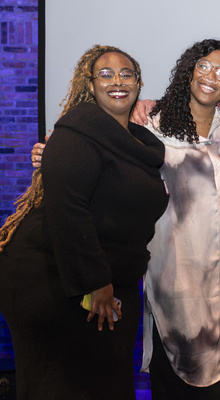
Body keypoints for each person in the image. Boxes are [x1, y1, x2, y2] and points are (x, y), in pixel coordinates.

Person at [0, 45, 168, 399]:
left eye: (126, 74)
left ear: (138, 84)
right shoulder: (77, 132)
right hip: (56, 279)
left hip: (105, 278)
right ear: (89, 85)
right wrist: (95, 284)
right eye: (105, 74)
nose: (117, 81)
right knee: (63, 385)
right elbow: (69, 208)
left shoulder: (137, 143)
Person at [140, 39, 220, 400]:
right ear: (188, 72)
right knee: (183, 380)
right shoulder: (154, 131)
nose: (212, 77)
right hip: (181, 282)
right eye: (204, 67)